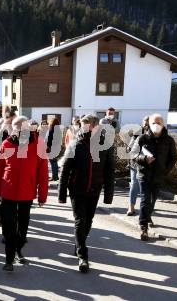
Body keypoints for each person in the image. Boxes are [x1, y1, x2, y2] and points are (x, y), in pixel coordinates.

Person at [58, 114, 115, 273]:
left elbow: (109, 171)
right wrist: (62, 193)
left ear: (95, 126)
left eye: (86, 124)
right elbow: (65, 171)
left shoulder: (105, 145)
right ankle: (83, 256)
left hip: (95, 189)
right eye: (81, 124)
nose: (83, 127)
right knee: (80, 221)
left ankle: (78, 244)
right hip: (77, 189)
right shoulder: (75, 144)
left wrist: (108, 195)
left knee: (88, 221)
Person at [0, 116, 48, 271]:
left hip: (27, 193)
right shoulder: (7, 143)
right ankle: (9, 259)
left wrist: (42, 196)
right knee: (9, 226)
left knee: (22, 228)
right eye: (15, 127)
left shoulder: (38, 144)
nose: (18, 130)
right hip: (8, 191)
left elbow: (43, 172)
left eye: (21, 127)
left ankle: (19, 248)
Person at [131, 114, 177, 240]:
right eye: (153, 123)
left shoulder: (169, 140)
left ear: (163, 125)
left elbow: (173, 158)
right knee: (145, 199)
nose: (156, 125)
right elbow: (133, 155)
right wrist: (144, 159)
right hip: (144, 174)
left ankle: (147, 216)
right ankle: (144, 227)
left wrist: (165, 170)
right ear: (149, 125)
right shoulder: (142, 138)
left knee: (153, 200)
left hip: (159, 175)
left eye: (159, 123)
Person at [126, 116, 149, 216]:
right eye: (145, 122)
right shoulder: (137, 133)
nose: (147, 124)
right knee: (134, 185)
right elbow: (129, 148)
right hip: (136, 163)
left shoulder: (157, 135)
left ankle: (147, 211)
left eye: (149, 122)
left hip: (149, 165)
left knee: (147, 188)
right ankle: (131, 208)